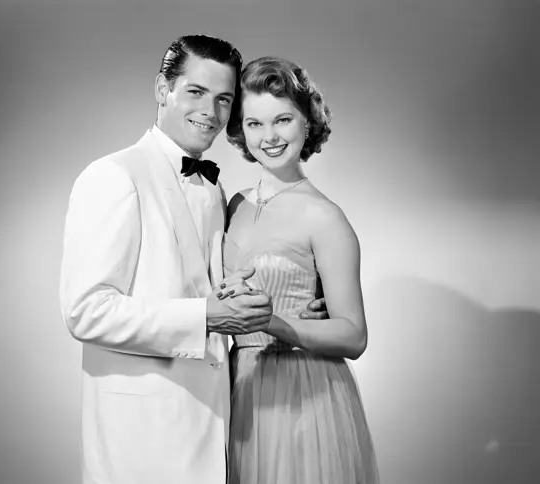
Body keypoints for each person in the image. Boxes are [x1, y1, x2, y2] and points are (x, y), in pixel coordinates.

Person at [59, 37, 326, 484]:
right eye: (196, 92)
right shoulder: (113, 176)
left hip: (219, 425)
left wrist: (288, 309)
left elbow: (213, 289)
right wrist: (206, 316)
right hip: (143, 439)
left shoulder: (216, 191)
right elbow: (85, 311)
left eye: (224, 99)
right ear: (162, 88)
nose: (211, 111)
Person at [222, 56, 380, 483]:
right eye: (254, 124)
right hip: (238, 391)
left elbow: (353, 334)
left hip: (302, 396)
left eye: (283, 120)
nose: (269, 137)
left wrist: (273, 321)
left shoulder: (324, 216)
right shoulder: (231, 205)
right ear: (241, 131)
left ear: (307, 122)